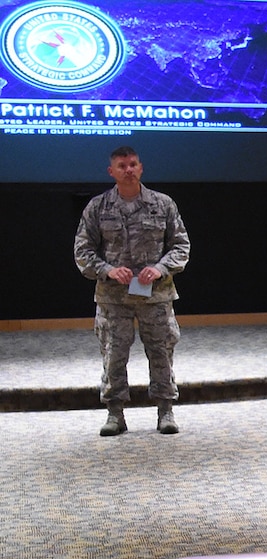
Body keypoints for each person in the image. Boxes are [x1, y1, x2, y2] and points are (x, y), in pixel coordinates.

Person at [73, 145, 190, 436]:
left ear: (141, 168)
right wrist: (108, 270)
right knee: (114, 355)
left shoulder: (163, 204)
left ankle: (165, 411)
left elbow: (180, 246)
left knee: (161, 352)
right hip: (114, 298)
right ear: (111, 172)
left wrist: (161, 268)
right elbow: (83, 251)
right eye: (122, 166)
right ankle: (115, 414)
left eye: (133, 164)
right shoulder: (98, 207)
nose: (128, 170)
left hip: (156, 295)